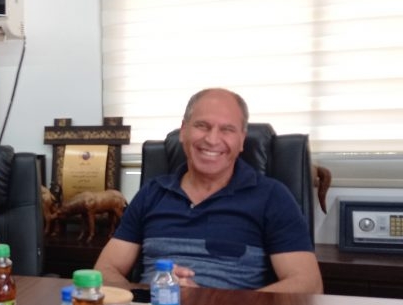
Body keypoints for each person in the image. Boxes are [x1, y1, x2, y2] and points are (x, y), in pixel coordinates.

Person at [95, 88, 323, 294]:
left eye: (227, 129)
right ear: (183, 131)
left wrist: (209, 301)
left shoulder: (273, 197)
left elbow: (308, 284)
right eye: (202, 126)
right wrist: (150, 292)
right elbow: (105, 270)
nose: (212, 139)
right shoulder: (152, 193)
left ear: (241, 140)